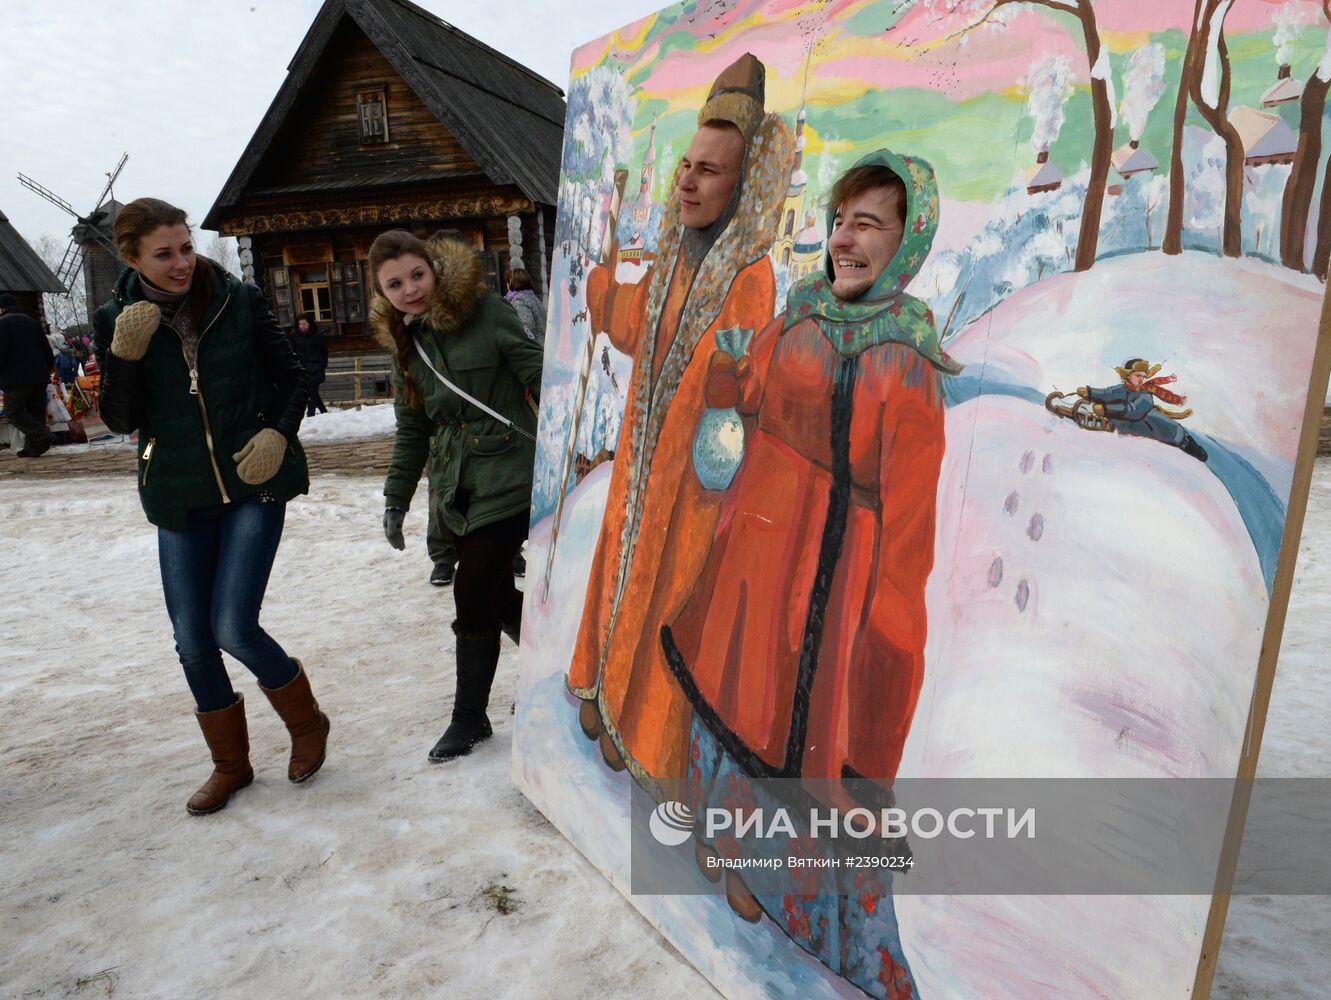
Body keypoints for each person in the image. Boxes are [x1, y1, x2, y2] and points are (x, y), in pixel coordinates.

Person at [657, 152, 958, 994]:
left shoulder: (908, 360)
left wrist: (885, 667)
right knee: (725, 708)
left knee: (796, 744)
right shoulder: (798, 316)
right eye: (840, 220)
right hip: (749, 567)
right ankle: (727, 856)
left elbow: (907, 541)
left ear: (906, 242)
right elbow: (750, 395)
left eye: (869, 224)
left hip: (826, 594)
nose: (845, 239)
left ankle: (798, 920)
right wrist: (728, 367)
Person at [564, 53, 794, 796]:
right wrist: (601, 290)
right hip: (639, 469)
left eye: (710, 171)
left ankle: (645, 732)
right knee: (616, 577)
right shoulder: (670, 258)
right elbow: (635, 324)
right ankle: (599, 686)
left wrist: (733, 384)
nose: (689, 180)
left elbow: (749, 383)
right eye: (686, 166)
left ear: (742, 185)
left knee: (664, 600)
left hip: (693, 484)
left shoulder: (748, 275)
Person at [92, 197, 328, 816]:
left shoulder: (236, 298)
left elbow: (294, 375)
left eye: (186, 248)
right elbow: (120, 420)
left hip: (255, 482)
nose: (181, 263)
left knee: (232, 626)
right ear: (132, 257)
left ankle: (307, 724)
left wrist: (279, 433)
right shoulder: (115, 316)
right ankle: (231, 765)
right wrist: (122, 356)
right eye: (164, 254)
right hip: (179, 493)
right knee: (192, 640)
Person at [371, 230, 542, 762]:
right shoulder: (405, 340)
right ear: (382, 291)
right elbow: (412, 428)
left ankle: (469, 719)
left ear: (435, 269)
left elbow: (536, 370)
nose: (410, 290)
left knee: (471, 592)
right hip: (459, 486)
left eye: (417, 275)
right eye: (394, 283)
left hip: (512, 469)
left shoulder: (486, 312)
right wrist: (396, 498)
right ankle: (559, 662)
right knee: (491, 596)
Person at [1078, 359, 1208, 461]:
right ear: (1127, 374)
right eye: (1138, 375)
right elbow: (1107, 393)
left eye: (1143, 376)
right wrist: (1089, 392)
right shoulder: (1122, 389)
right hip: (1139, 430)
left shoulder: (1145, 396)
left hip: (1172, 434)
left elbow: (1132, 411)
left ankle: (1197, 452)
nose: (1141, 379)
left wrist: (1106, 409)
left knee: (1194, 452)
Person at [0, 293, 56, 457]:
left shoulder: (3, 323)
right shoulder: (31, 321)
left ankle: (42, 434)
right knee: (35, 411)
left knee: (13, 412)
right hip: (39, 376)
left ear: (2, 308)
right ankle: (34, 447)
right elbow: (46, 349)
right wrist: (48, 368)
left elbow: (1, 352)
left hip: (15, 378)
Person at [290, 313, 329, 416]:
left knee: (311, 391)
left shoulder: (318, 335)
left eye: (304, 324)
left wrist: (322, 366)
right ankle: (324, 411)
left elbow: (324, 352)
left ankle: (310, 415)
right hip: (302, 368)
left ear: (309, 324)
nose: (302, 326)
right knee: (312, 392)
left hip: (316, 368)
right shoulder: (294, 337)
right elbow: (292, 352)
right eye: (300, 324)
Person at [504, 267, 545, 344]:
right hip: (542, 344)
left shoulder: (519, 300)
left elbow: (526, 326)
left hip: (533, 347)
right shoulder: (532, 297)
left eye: (507, 282)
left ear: (512, 283)